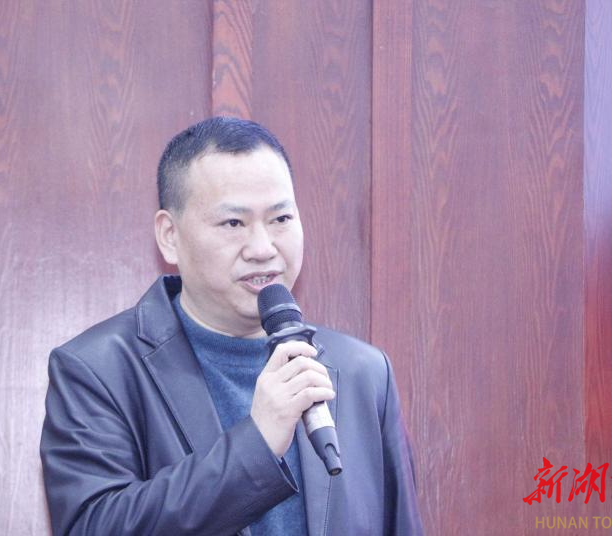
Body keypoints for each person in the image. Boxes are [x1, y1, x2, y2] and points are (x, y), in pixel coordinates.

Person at [40, 117, 423, 535]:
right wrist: (257, 444)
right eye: (234, 223)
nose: (262, 248)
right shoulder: (97, 369)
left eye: (281, 219)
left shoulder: (364, 373)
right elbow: (93, 526)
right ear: (169, 236)